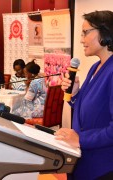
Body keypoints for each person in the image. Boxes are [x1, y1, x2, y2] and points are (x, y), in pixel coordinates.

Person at [55, 10, 113, 180]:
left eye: (85, 32)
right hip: (85, 162)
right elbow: (92, 109)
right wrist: (75, 95)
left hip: (103, 167)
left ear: (104, 32)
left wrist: (81, 139)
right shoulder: (96, 67)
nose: (81, 39)